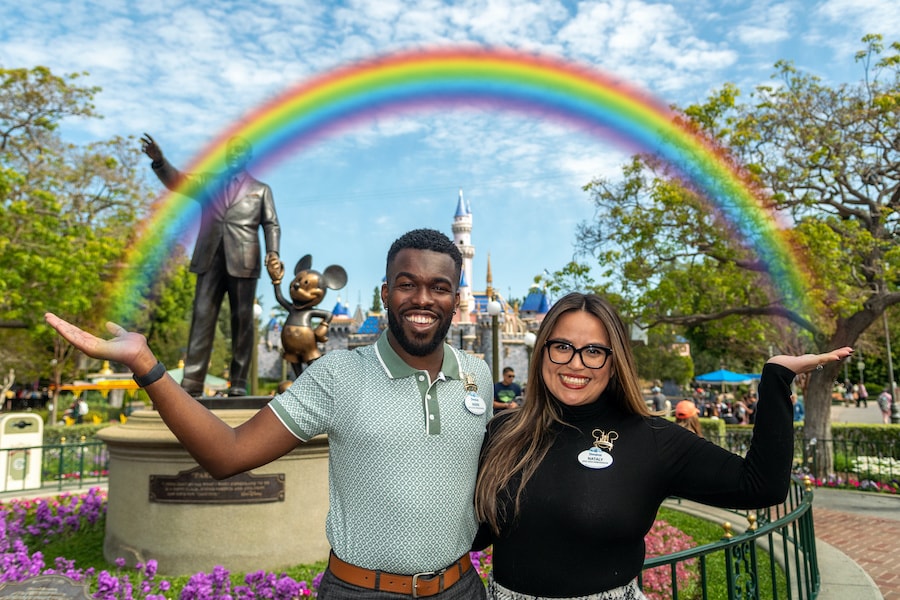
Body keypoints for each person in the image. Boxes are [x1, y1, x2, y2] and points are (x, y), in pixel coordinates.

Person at [45, 228, 492, 600]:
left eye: (439, 287)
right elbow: (227, 453)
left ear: (457, 298)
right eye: (406, 283)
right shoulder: (338, 374)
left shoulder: (478, 375)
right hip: (364, 591)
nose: (422, 298)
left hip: (462, 588)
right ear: (385, 293)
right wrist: (146, 365)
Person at [472, 292, 852, 599]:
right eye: (562, 347)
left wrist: (776, 380)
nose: (575, 363)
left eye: (593, 351)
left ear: (613, 360)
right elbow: (475, 532)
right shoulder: (505, 432)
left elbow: (761, 485)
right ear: (543, 353)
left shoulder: (651, 439)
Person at [140, 134, 281, 397]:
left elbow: (271, 224)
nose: (234, 154)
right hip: (209, 258)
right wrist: (160, 162)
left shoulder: (261, 190)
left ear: (248, 156)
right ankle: (192, 382)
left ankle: (238, 383)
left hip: (244, 259)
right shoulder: (208, 182)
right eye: (230, 150)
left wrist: (273, 252)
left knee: (242, 321)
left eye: (240, 150)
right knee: (202, 317)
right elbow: (178, 181)